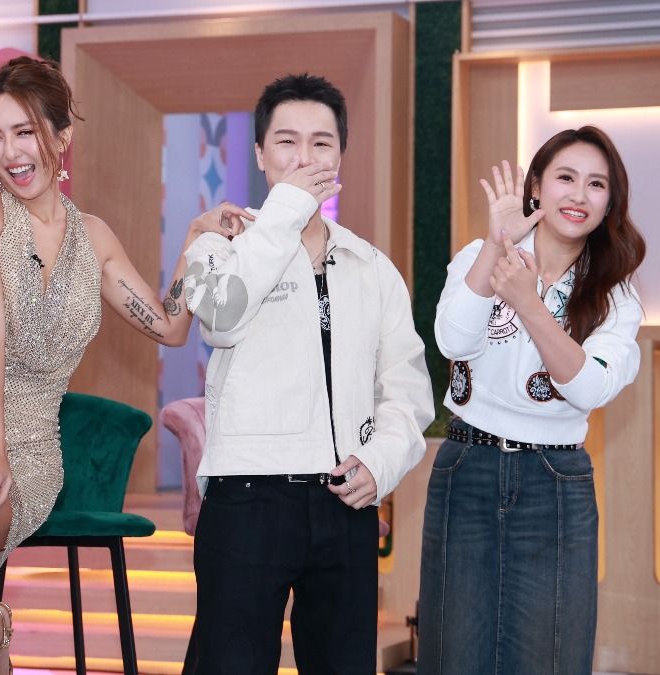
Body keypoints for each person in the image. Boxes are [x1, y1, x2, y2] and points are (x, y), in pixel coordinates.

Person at [0, 56, 229, 674]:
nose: (9, 152)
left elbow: (170, 327)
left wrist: (195, 242)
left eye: (24, 131)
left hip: (27, 448)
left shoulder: (96, 239)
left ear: (61, 136)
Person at [177, 73, 434, 674]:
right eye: (286, 142)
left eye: (322, 143)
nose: (304, 157)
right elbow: (219, 319)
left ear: (340, 155)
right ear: (260, 154)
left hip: (345, 501)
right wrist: (284, 213)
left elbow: (407, 389)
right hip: (247, 498)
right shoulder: (216, 247)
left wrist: (380, 462)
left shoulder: (372, 266)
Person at [418, 126, 646, 674]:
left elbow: (587, 388)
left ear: (609, 204)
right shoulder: (481, 255)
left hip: (554, 481)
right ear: (537, 187)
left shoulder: (615, 295)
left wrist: (529, 304)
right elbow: (452, 341)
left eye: (596, 185)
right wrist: (495, 244)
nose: (579, 195)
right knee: (453, 655)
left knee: (549, 656)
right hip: (466, 467)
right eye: (566, 178)